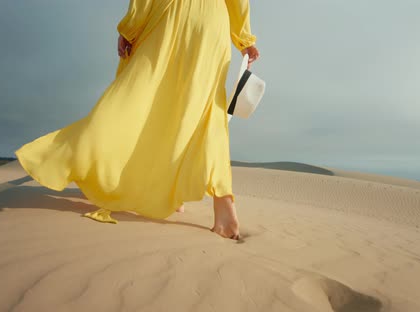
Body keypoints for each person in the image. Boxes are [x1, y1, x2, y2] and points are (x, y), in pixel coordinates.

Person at [14, 0, 260, 240]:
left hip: (168, 14)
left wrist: (131, 28)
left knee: (136, 100)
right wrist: (244, 38)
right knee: (204, 112)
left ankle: (69, 154)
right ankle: (214, 202)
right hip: (211, 23)